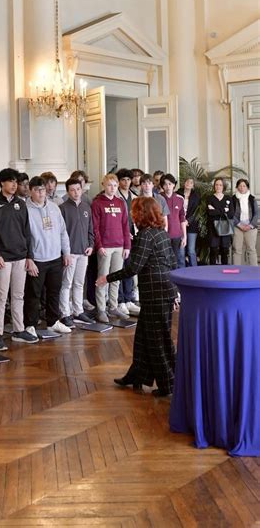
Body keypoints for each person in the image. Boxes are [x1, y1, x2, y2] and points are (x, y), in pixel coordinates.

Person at [96, 196, 178, 397]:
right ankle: (137, 376)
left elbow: (133, 267)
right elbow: (172, 263)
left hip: (155, 294)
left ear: (141, 214)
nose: (133, 216)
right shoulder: (161, 233)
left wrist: (107, 277)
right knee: (143, 338)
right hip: (164, 291)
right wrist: (175, 292)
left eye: (135, 212)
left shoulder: (145, 236)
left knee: (158, 341)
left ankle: (169, 385)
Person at [0, 168, 38, 349]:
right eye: (10, 181)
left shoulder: (21, 204)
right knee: (1, 297)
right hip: (3, 258)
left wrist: (29, 256)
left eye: (16, 181)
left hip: (20, 257)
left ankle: (18, 330)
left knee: (19, 295)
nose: (14, 184)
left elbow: (27, 232)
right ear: (2, 183)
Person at [24, 176, 72, 336]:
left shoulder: (54, 207)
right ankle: (29, 324)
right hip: (37, 259)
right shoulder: (25, 209)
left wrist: (66, 252)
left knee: (54, 292)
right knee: (33, 295)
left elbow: (63, 232)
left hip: (55, 258)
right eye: (37, 190)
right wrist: (28, 259)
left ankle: (53, 322)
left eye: (43, 189)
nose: (41, 193)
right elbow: (24, 237)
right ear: (31, 191)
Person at [91, 173, 131, 323]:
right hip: (105, 247)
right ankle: (101, 309)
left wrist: (127, 245)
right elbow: (95, 228)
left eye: (115, 185)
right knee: (102, 279)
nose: (112, 188)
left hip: (119, 246)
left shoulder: (121, 203)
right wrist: (99, 245)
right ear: (103, 185)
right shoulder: (97, 203)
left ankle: (113, 307)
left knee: (116, 278)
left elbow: (125, 225)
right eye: (109, 185)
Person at [59, 177, 94, 326]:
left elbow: (90, 229)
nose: (76, 192)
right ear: (68, 192)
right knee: (67, 283)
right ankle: (65, 313)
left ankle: (78, 311)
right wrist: (65, 252)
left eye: (78, 189)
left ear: (82, 189)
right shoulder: (63, 208)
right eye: (72, 190)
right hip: (70, 252)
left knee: (79, 283)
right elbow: (61, 233)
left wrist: (91, 245)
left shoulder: (86, 207)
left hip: (84, 252)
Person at [116, 168, 140, 317]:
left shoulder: (135, 196)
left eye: (128, 179)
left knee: (131, 268)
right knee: (120, 268)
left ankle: (129, 298)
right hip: (120, 237)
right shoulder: (116, 197)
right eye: (123, 180)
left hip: (134, 236)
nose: (126, 182)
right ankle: (120, 301)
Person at [160, 174, 187, 268]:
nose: (168, 186)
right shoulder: (158, 198)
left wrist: (184, 236)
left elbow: (182, 218)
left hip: (176, 235)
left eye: (170, 184)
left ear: (174, 185)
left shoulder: (180, 198)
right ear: (162, 186)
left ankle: (176, 282)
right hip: (163, 235)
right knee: (164, 260)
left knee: (176, 260)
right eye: (165, 184)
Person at [207, 177, 233, 265]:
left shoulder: (228, 198)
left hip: (225, 226)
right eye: (216, 185)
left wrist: (215, 210)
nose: (218, 187)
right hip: (213, 227)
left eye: (220, 185)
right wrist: (224, 210)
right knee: (213, 250)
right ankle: (212, 272)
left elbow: (231, 214)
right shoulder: (210, 198)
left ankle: (224, 272)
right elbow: (210, 213)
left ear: (223, 186)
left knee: (224, 250)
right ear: (214, 186)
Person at [232, 178, 258, 266]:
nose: (242, 188)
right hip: (237, 227)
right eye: (240, 186)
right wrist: (239, 225)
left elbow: (257, 213)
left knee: (251, 250)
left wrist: (250, 225)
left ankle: (255, 272)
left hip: (250, 228)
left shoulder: (252, 198)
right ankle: (236, 271)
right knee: (237, 250)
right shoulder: (233, 199)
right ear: (237, 187)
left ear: (247, 187)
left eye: (244, 186)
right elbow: (231, 214)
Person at [177, 177, 201, 266]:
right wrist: (182, 221)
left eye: (190, 182)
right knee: (181, 251)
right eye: (187, 181)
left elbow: (197, 212)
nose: (188, 183)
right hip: (179, 225)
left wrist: (188, 221)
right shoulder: (177, 194)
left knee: (191, 250)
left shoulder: (196, 196)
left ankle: (194, 272)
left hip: (192, 225)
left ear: (193, 185)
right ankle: (182, 272)